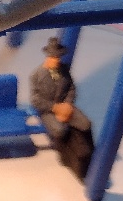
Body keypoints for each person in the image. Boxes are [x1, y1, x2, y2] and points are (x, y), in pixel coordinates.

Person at [29, 37, 95, 181]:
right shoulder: (36, 75)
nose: (56, 60)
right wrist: (55, 108)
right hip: (48, 110)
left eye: (58, 57)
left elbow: (71, 88)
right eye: (53, 57)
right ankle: (66, 156)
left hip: (66, 106)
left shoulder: (64, 70)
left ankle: (91, 154)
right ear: (47, 57)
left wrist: (67, 104)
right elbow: (35, 100)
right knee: (60, 130)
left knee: (85, 123)